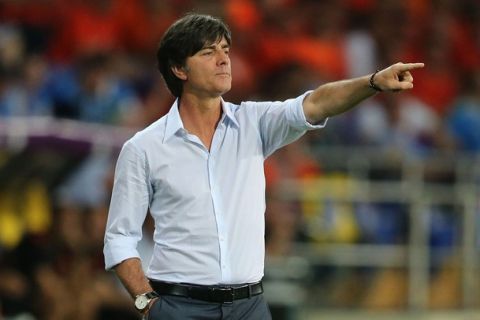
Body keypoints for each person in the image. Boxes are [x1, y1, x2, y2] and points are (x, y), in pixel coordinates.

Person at [103, 13, 424, 320]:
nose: (223, 59)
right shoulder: (143, 148)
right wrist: (148, 304)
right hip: (179, 306)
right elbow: (119, 237)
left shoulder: (253, 122)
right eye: (207, 52)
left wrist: (372, 82)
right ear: (179, 69)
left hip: (250, 306)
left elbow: (316, 102)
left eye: (225, 50)